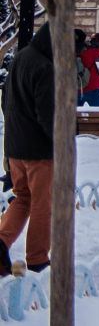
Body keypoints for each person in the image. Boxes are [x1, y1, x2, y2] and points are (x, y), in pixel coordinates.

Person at [0, 23, 58, 274]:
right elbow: (48, 115)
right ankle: (37, 259)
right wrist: (61, 143)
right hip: (38, 150)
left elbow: (5, 99)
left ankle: (1, 241)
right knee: (42, 204)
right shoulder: (46, 67)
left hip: (16, 145)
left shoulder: (22, 56)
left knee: (22, 198)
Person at [77, 33, 99, 108]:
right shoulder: (90, 51)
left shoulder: (64, 53)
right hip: (91, 87)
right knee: (98, 113)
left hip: (72, 89)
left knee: (72, 116)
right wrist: (96, 35)